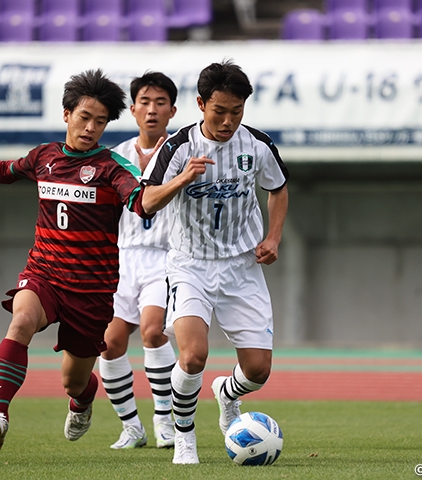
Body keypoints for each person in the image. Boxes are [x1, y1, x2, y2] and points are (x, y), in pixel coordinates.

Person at [0, 69, 154, 451]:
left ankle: (83, 401)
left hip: (91, 288)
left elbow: (138, 198)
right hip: (45, 273)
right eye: (85, 117)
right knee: (20, 321)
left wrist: (168, 187)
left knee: (74, 380)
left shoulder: (112, 168)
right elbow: (4, 171)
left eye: (100, 121)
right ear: (67, 114)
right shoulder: (44, 157)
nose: (91, 127)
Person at [140, 60, 289, 464]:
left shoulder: (257, 145)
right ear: (201, 104)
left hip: (242, 266)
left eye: (236, 112)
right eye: (219, 111)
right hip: (191, 265)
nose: (227, 121)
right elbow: (145, 202)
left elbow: (277, 188)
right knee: (192, 357)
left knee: (258, 371)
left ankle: (227, 394)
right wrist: (181, 180)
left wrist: (273, 237)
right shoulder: (177, 148)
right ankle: (185, 438)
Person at [99, 72, 178, 450]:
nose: (152, 110)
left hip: (165, 257)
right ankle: (132, 427)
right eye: (144, 102)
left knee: (152, 331)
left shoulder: (182, 152)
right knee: (109, 343)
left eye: (160, 102)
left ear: (173, 110)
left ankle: (165, 419)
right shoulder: (116, 157)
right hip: (122, 259)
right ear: (132, 110)